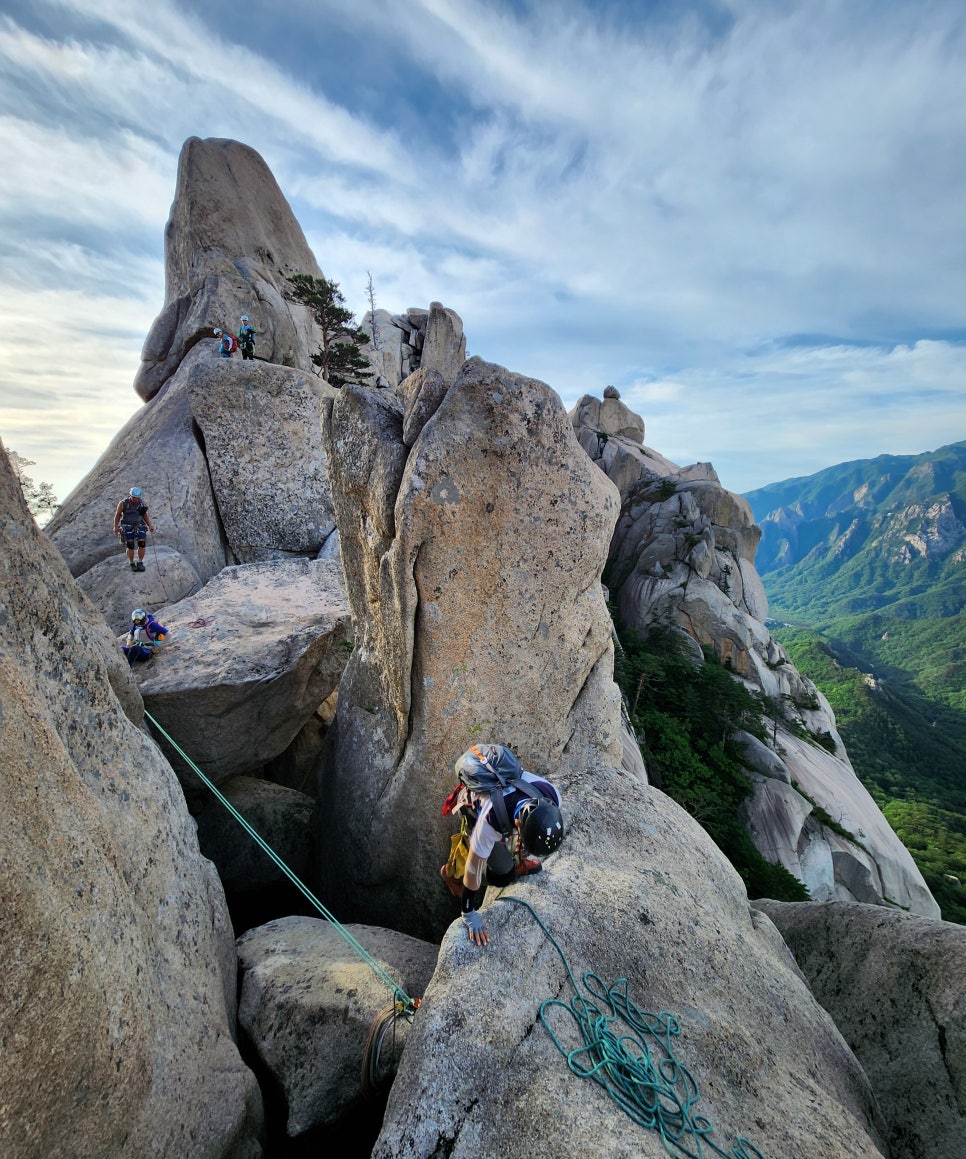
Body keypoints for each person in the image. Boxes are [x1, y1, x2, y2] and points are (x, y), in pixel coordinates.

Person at [441, 744, 564, 947]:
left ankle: (515, 858)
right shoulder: (490, 821)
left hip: (502, 793)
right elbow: (474, 866)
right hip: (476, 805)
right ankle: (451, 874)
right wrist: (469, 913)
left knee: (514, 851)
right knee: (503, 874)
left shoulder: (550, 794)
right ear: (517, 825)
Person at [113, 486, 156, 572]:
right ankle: (132, 562)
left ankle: (140, 562)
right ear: (131, 496)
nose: (136, 499)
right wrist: (116, 526)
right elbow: (118, 514)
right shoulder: (123, 503)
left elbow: (144, 514)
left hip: (139, 524)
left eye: (137, 498)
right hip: (127, 525)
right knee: (130, 545)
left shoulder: (141, 503)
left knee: (142, 543)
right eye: (134, 498)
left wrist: (149, 525)